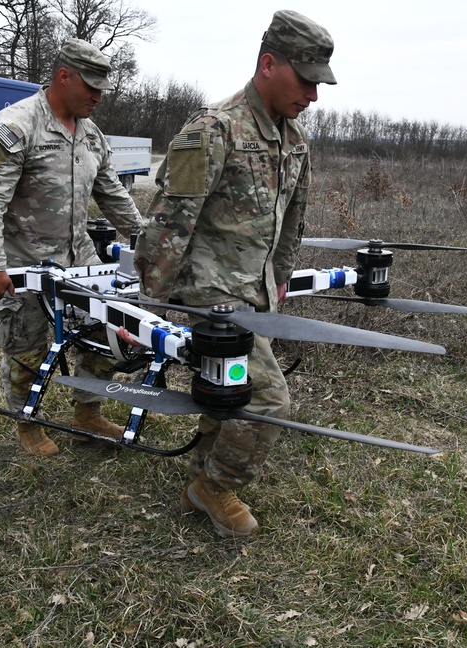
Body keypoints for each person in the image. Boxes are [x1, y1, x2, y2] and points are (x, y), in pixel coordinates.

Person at [134, 10, 336, 537]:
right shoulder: (213, 128)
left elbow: (294, 218)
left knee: (228, 387)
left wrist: (282, 278)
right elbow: (171, 218)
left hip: (256, 291)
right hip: (211, 292)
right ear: (269, 64)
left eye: (319, 84)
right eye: (307, 81)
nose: (314, 95)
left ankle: (202, 469)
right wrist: (151, 302)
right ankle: (213, 486)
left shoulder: (295, 138)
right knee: (269, 399)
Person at [0, 39, 144, 457]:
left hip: (78, 257)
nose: (98, 97)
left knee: (106, 333)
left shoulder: (91, 135)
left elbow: (113, 194)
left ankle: (88, 413)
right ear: (64, 77)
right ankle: (26, 422)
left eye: (103, 89)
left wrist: (145, 237)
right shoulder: (15, 127)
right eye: (92, 87)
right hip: (20, 258)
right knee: (27, 348)